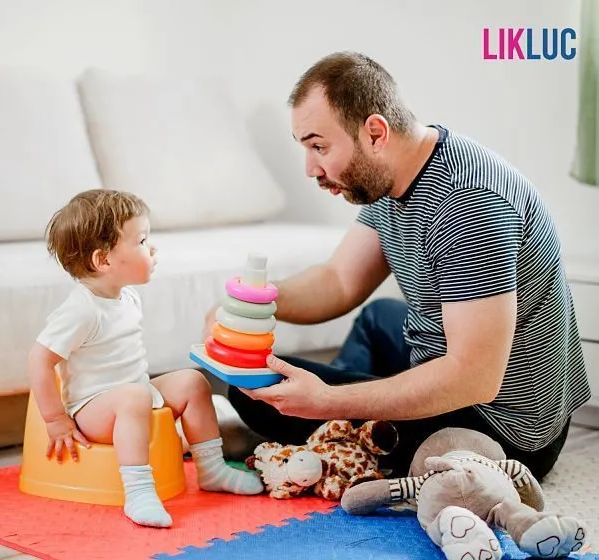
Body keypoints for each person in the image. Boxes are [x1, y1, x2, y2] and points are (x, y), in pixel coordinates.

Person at [206, 51, 591, 481]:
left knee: (255, 391)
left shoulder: (468, 202)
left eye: (319, 146)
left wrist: (329, 400)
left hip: (505, 428)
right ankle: (348, 424)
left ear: (375, 132)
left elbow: (475, 378)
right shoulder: (392, 176)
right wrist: (248, 305)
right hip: (449, 366)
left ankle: (337, 428)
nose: (311, 168)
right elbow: (337, 282)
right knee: (375, 318)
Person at [29, 189, 263, 529]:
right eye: (141, 241)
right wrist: (55, 420)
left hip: (133, 393)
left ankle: (212, 470)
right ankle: (138, 491)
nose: (152, 249)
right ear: (104, 261)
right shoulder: (81, 310)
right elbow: (39, 360)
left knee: (193, 382)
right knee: (134, 396)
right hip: (92, 409)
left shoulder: (126, 297)